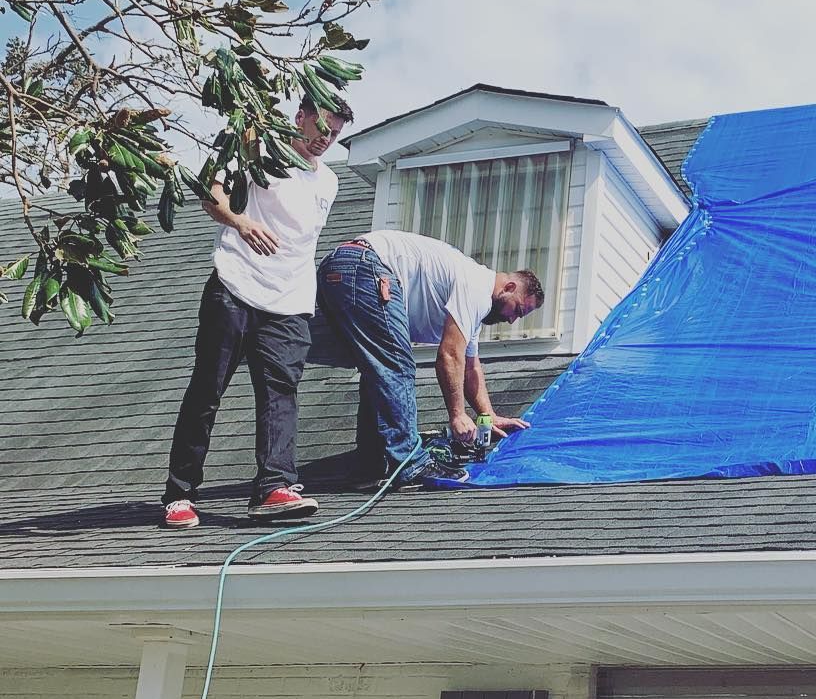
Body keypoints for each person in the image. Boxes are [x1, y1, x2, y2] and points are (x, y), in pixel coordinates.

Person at [160, 96, 353, 529]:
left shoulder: (330, 183)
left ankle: (274, 488)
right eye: (320, 127)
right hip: (234, 286)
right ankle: (179, 494)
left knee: (281, 395)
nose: (325, 139)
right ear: (300, 117)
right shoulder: (256, 149)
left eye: (335, 134)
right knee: (206, 392)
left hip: (290, 302)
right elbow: (213, 197)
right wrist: (240, 222)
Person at [316, 230, 543, 486]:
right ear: (509, 287)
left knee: (378, 370)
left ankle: (370, 464)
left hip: (339, 269)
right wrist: (457, 415)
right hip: (365, 267)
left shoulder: (473, 304)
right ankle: (410, 463)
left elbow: (470, 368)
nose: (512, 319)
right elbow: (449, 354)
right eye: (518, 310)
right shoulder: (477, 286)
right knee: (396, 365)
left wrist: (487, 415)